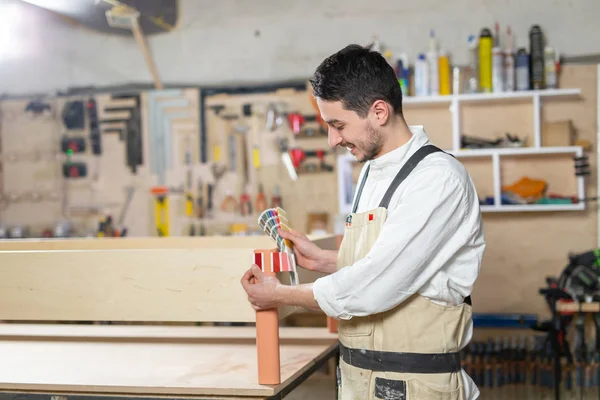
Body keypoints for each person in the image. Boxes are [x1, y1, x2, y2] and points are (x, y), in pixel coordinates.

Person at [241, 43, 485, 399]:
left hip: (415, 386)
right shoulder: (372, 172)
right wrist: (325, 260)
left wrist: (279, 296)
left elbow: (378, 285)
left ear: (380, 112)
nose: (333, 139)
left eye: (338, 125)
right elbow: (388, 261)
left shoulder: (437, 179)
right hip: (359, 380)